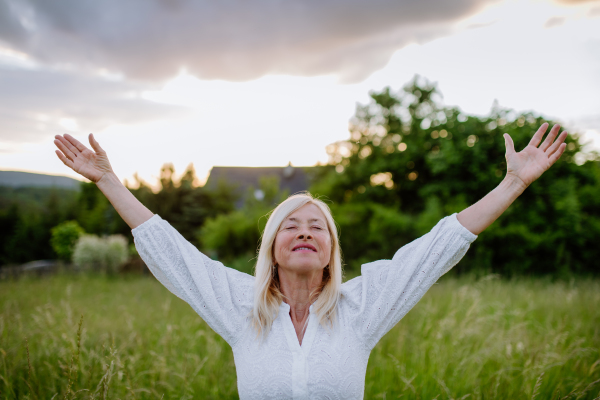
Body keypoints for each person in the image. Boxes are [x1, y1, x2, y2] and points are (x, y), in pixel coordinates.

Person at [53, 123, 567, 399]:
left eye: (316, 226)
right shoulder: (237, 306)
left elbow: (441, 243)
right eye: (290, 226)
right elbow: (169, 249)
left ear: (330, 252)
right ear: (272, 250)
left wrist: (515, 182)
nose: (303, 232)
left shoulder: (364, 306)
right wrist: (109, 180)